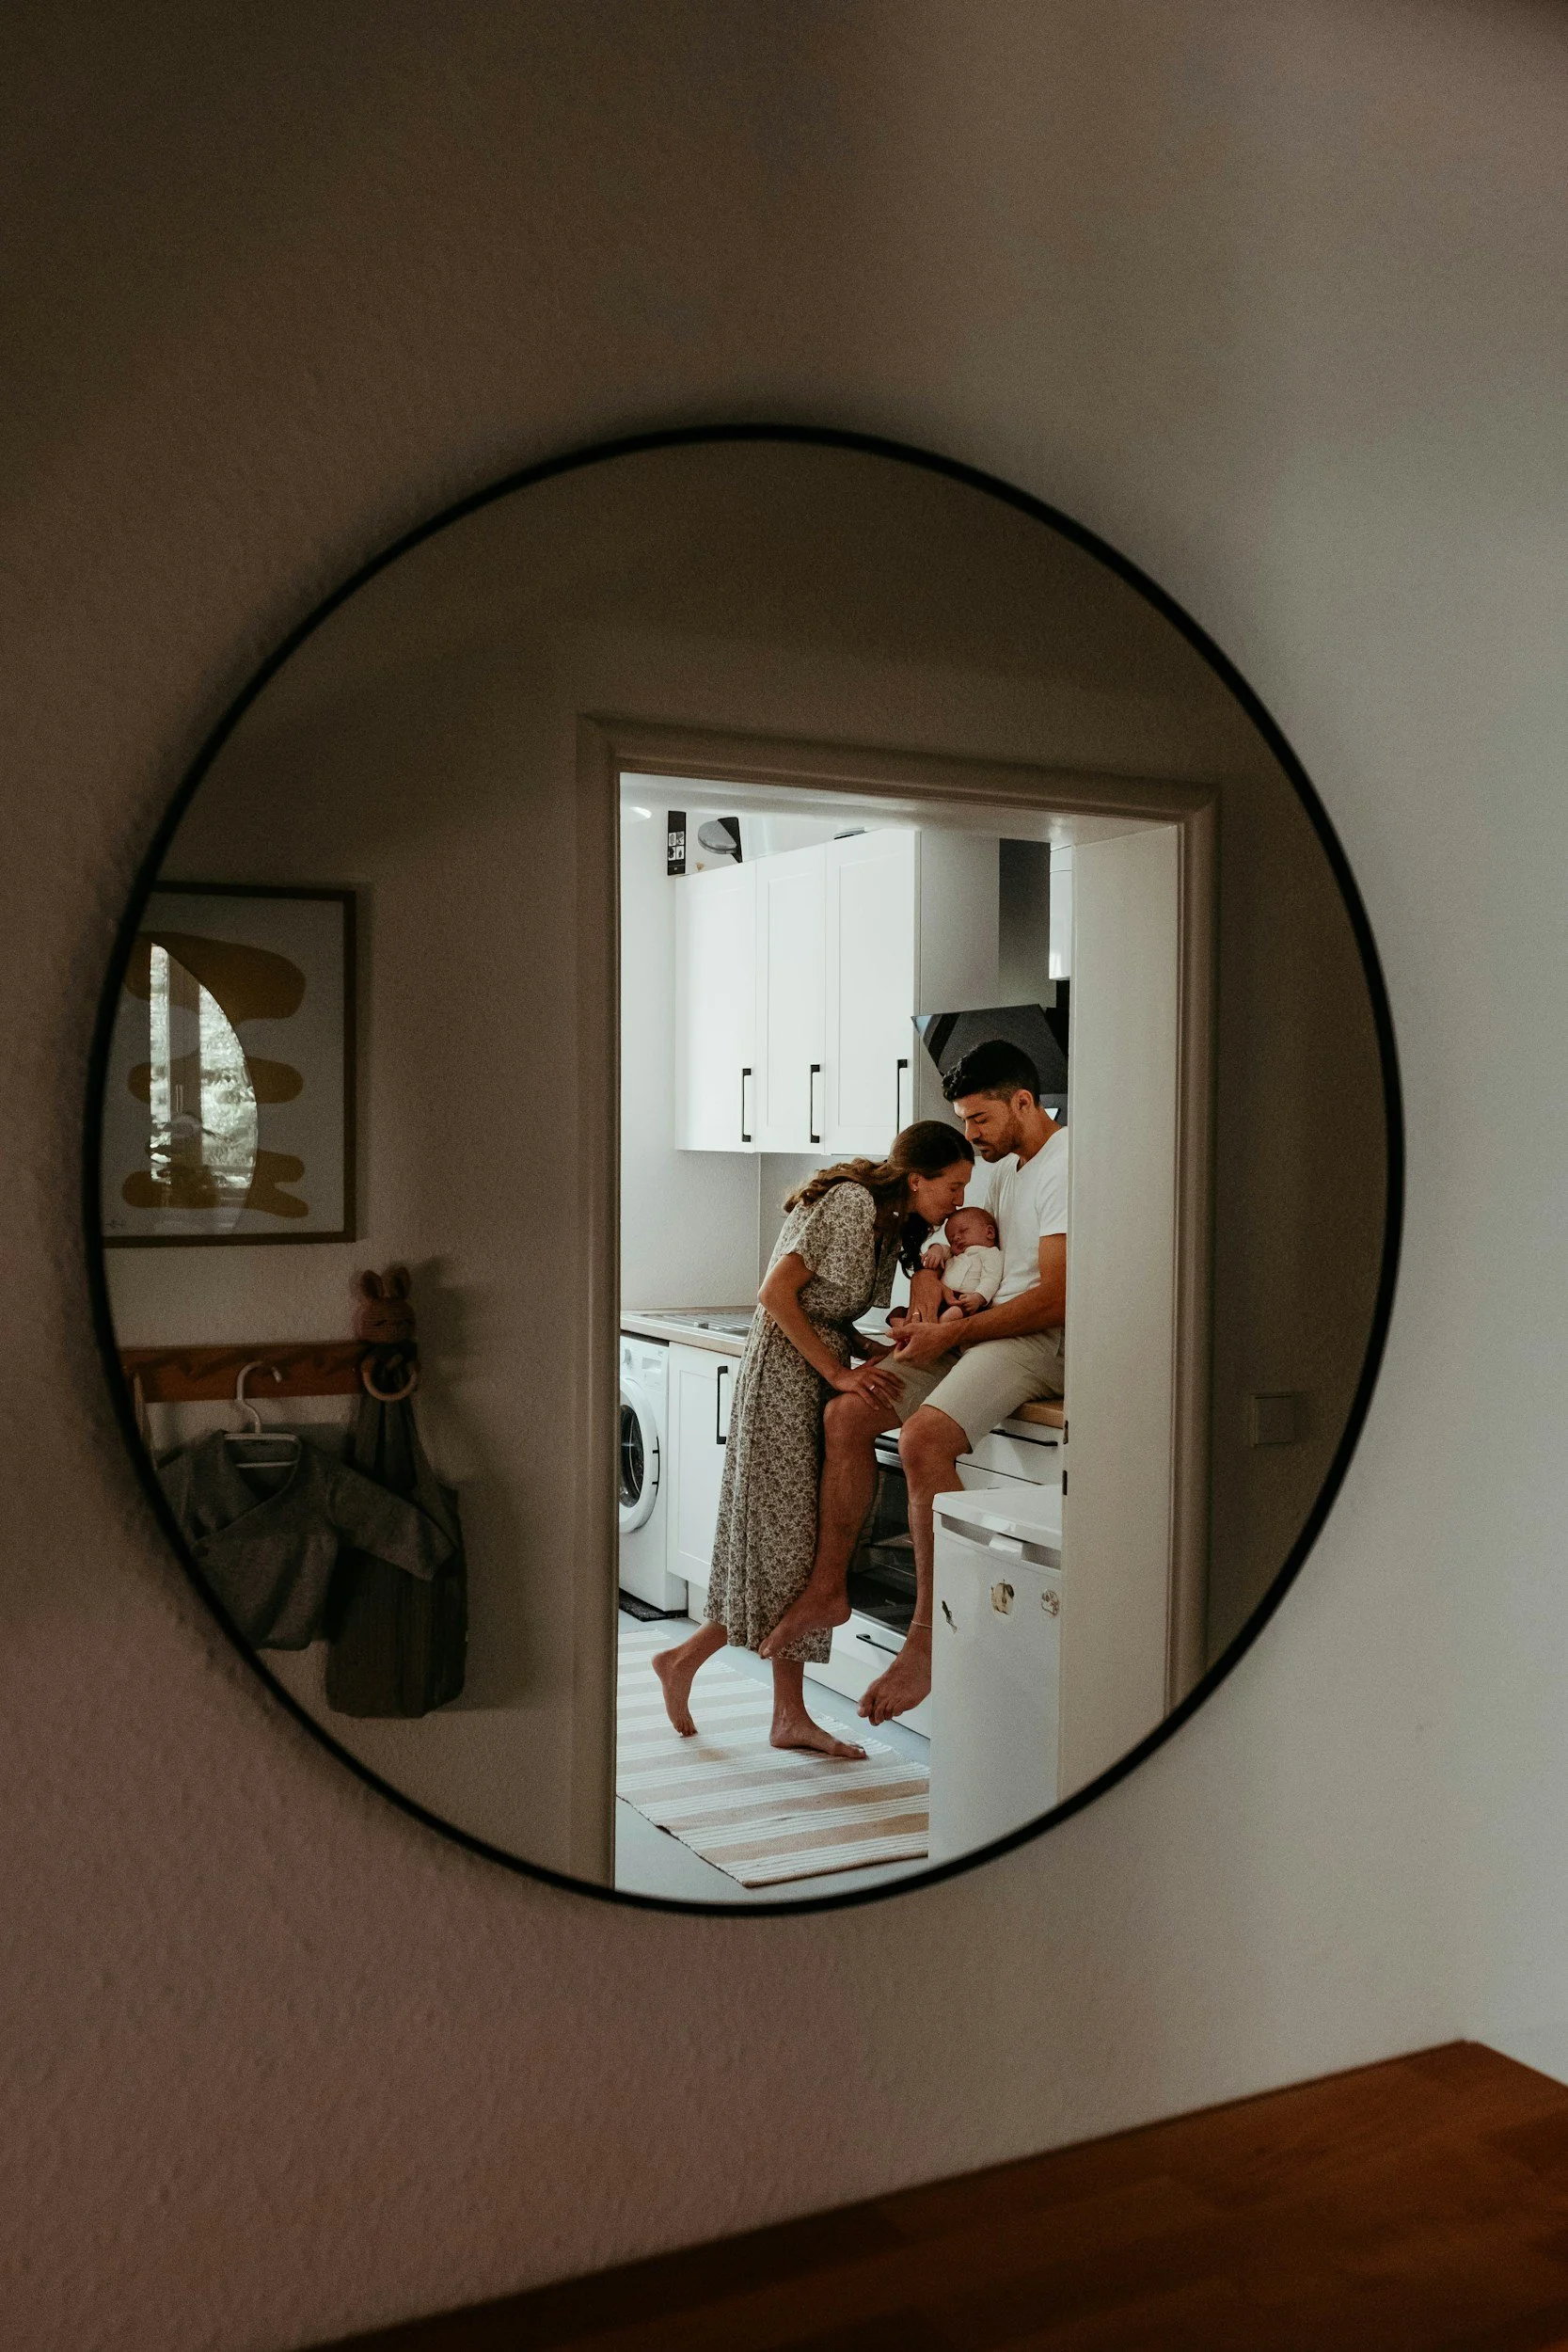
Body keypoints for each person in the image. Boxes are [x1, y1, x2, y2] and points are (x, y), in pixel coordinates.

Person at [761, 1041, 1067, 1724]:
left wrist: (953, 1331)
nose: (971, 1133)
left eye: (980, 1118)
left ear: (1023, 1102)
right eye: (964, 1121)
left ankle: (927, 1640)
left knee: (921, 1441)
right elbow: (945, 1251)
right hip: (970, 1328)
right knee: (846, 1415)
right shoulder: (998, 1167)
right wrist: (926, 1305)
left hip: (1032, 1338)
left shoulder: (1067, 1164)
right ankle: (827, 1590)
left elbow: (1056, 1298)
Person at [651, 1121, 976, 1755]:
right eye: (954, 1186)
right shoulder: (852, 1202)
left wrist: (864, 1348)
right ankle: (697, 1667)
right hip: (782, 1378)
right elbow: (775, 1293)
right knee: (785, 1546)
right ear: (917, 1179)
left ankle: (775, 1709)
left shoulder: (891, 1222)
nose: (959, 1201)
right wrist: (837, 1371)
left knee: (796, 1546)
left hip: (816, 1370)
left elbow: (829, 1308)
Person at [887, 1203, 1003, 1327]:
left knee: (953, 1314)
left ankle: (933, 1330)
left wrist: (978, 1298)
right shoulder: (954, 1254)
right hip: (940, 1298)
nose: (957, 1238)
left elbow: (991, 1278)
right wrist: (935, 1250)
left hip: (964, 1300)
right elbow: (943, 1249)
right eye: (951, 1239)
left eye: (963, 1231)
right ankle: (908, 1328)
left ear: (989, 1233)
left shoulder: (990, 1253)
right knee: (896, 1314)